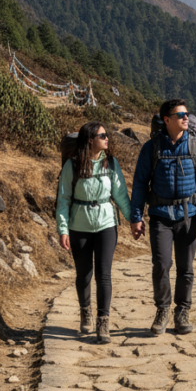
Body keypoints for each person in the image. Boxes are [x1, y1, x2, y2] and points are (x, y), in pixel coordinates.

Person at [129, 98, 196, 335]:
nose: (186, 118)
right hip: (160, 216)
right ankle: (163, 310)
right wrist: (136, 217)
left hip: (189, 215)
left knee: (186, 267)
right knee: (161, 265)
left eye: (187, 114)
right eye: (180, 115)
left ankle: (182, 312)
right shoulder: (151, 148)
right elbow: (139, 183)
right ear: (167, 120)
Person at [56, 122, 132, 344]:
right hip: (79, 225)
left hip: (106, 223)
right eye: (102, 135)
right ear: (90, 140)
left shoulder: (111, 163)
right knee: (84, 274)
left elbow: (120, 195)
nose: (107, 138)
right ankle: (85, 310)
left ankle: (103, 321)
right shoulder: (72, 165)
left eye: (106, 135)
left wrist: (133, 220)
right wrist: (63, 230)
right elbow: (63, 200)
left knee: (103, 274)